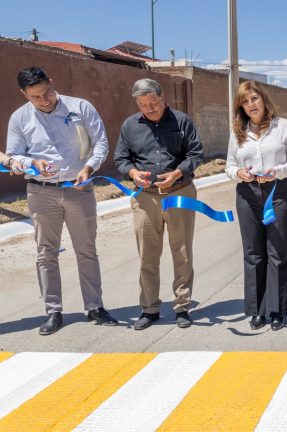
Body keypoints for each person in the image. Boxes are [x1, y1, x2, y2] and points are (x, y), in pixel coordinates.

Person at [5, 66, 117, 335]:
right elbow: (13, 155)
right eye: (36, 97)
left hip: (79, 190)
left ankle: (94, 306)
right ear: (24, 94)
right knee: (46, 253)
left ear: (52, 83)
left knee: (86, 250)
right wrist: (31, 162)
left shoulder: (80, 107)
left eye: (47, 93)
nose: (45, 100)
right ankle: (53, 311)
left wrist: (89, 167)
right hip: (41, 193)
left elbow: (100, 142)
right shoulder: (19, 118)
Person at [114, 78, 203, 331]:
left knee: (182, 253)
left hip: (179, 192)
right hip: (145, 198)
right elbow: (121, 158)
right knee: (147, 256)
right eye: (143, 105)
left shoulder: (182, 121)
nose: (149, 108)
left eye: (153, 103)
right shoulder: (130, 126)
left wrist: (178, 172)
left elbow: (196, 153)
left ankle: (182, 307)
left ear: (163, 97)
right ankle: (149, 308)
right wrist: (132, 173)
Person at [225, 80, 287, 331]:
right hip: (248, 194)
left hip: (278, 193)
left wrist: (277, 171)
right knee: (253, 253)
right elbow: (229, 165)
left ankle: (277, 310)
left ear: (264, 100)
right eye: (245, 102)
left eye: (254, 99)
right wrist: (239, 174)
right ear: (241, 107)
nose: (251, 105)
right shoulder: (238, 131)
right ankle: (258, 310)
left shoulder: (284, 127)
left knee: (277, 253)